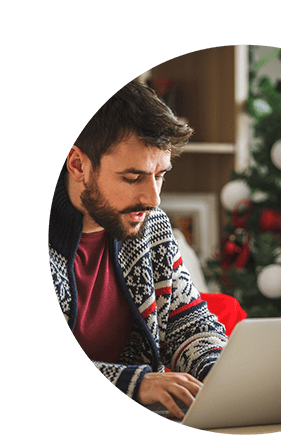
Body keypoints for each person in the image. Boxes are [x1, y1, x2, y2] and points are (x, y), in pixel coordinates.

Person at [48, 81, 228, 419]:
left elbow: (188, 323)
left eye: (159, 175)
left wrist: (217, 373)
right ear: (77, 165)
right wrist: (137, 383)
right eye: (133, 178)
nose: (153, 199)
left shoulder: (151, 224)